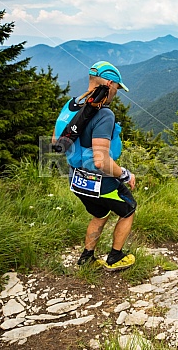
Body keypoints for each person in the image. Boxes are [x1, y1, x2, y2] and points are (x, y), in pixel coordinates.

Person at [53, 61, 136, 271]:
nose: (117, 92)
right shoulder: (104, 114)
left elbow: (56, 142)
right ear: (109, 83)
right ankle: (115, 258)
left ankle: (86, 258)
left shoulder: (71, 105)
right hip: (101, 182)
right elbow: (101, 161)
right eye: (117, 87)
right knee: (128, 209)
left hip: (76, 180)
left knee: (100, 214)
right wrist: (125, 174)